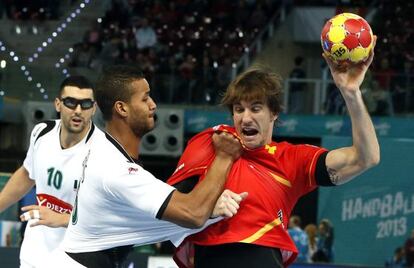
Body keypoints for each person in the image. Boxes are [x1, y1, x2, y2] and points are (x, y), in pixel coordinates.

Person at [167, 38, 380, 267]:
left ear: (274, 113)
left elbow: (365, 158)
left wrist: (350, 93)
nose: (245, 118)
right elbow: (168, 208)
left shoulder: (292, 159)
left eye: (256, 108)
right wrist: (207, 208)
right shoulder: (212, 143)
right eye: (239, 109)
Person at [49, 65, 246, 268]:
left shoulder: (104, 148)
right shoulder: (114, 168)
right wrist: (224, 156)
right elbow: (192, 214)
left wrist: (210, 211)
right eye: (145, 98)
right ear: (122, 108)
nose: (153, 105)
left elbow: (151, 220)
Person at [0, 75, 99, 267]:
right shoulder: (42, 132)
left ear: (94, 108)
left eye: (85, 104)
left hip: (76, 258)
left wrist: (62, 219)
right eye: (71, 103)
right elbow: (27, 174)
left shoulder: (103, 153)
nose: (78, 111)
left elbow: (106, 219)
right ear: (58, 104)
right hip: (34, 251)